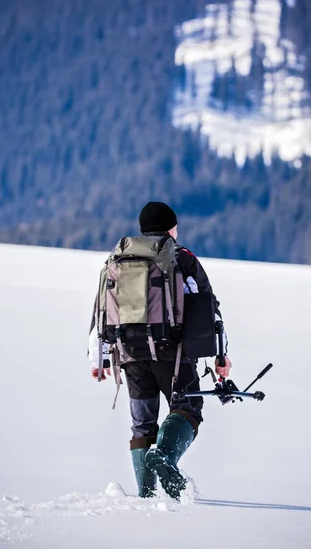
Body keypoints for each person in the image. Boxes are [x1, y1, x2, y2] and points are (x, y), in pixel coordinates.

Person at [88, 201, 231, 499]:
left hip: (128, 354)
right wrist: (220, 355)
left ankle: (147, 496)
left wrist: (98, 357)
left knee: (142, 424)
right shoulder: (180, 258)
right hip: (173, 353)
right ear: (171, 228)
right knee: (188, 408)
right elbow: (208, 308)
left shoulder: (118, 259)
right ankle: (164, 456)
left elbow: (100, 309)